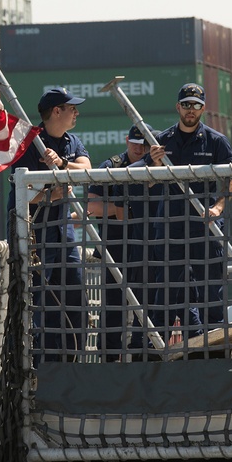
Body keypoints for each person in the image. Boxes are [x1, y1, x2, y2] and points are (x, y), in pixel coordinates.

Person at [147, 83, 232, 339]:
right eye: (186, 104)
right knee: (166, 291)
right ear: (178, 107)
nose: (190, 110)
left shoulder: (217, 141)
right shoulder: (160, 141)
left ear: (203, 109)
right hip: (170, 226)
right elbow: (149, 182)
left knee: (211, 292)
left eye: (196, 105)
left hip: (204, 224)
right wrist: (152, 162)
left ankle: (215, 350)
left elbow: (231, 177)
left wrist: (219, 206)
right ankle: (158, 352)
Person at [10, 87, 92, 360]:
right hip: (35, 237)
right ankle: (42, 368)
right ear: (57, 111)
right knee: (40, 307)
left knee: (76, 303)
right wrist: (50, 194)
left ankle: (72, 364)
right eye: (72, 108)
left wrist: (63, 163)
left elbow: (87, 169)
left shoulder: (70, 142)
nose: (77, 113)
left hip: (63, 234)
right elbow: (20, 193)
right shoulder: (29, 143)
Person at [86, 124, 151, 360]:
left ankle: (142, 357)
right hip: (114, 248)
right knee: (113, 308)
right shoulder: (111, 167)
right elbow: (92, 207)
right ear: (126, 140)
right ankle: (109, 360)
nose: (139, 148)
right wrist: (125, 208)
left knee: (146, 306)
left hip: (147, 249)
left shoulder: (157, 168)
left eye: (144, 144)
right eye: (135, 143)